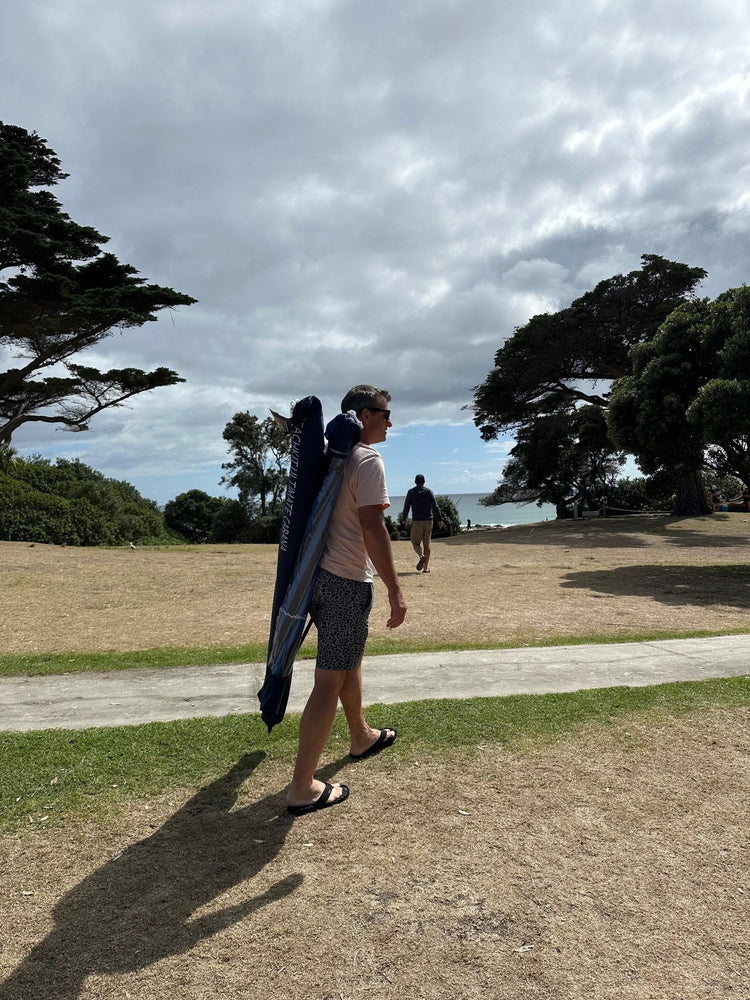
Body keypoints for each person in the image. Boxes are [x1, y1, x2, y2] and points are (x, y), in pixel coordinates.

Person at [286, 385, 407, 816]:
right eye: (386, 413)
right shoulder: (367, 460)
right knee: (329, 680)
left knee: (347, 662)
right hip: (345, 583)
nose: (390, 421)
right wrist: (395, 588)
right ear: (364, 415)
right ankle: (302, 786)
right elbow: (373, 527)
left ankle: (361, 735)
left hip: (319, 579)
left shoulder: (333, 460)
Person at [400, 474, 443, 573]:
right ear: (424, 482)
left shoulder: (411, 492)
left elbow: (406, 506)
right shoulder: (428, 492)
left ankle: (421, 556)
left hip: (417, 521)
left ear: (415, 482)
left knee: (415, 543)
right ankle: (425, 568)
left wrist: (404, 518)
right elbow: (435, 506)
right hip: (429, 521)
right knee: (427, 545)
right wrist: (440, 519)